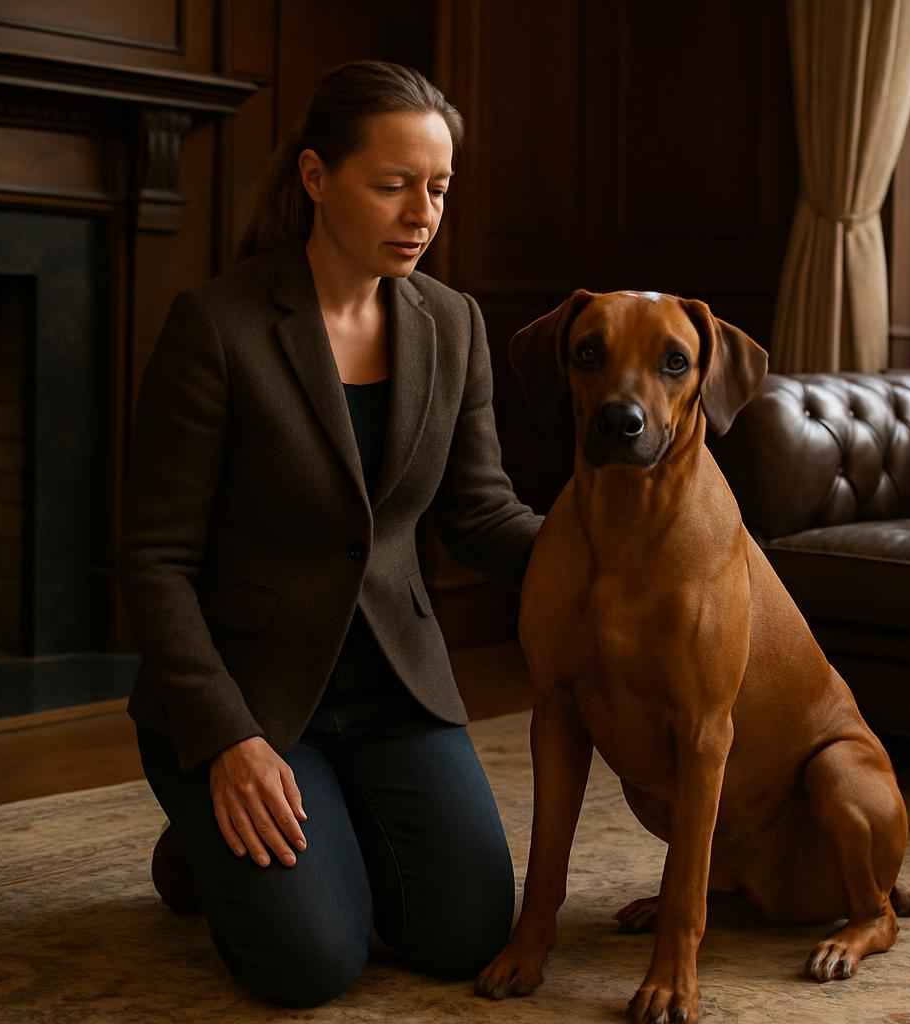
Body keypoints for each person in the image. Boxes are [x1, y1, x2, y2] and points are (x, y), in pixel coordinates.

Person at [120, 60, 542, 1009]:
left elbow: (481, 513)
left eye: (436, 188)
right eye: (392, 185)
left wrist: (613, 550)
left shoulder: (454, 324)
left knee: (466, 936)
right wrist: (225, 740)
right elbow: (155, 563)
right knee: (309, 967)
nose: (421, 213)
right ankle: (200, 836)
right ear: (316, 178)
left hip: (395, 692)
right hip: (252, 704)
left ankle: (328, 833)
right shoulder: (218, 326)